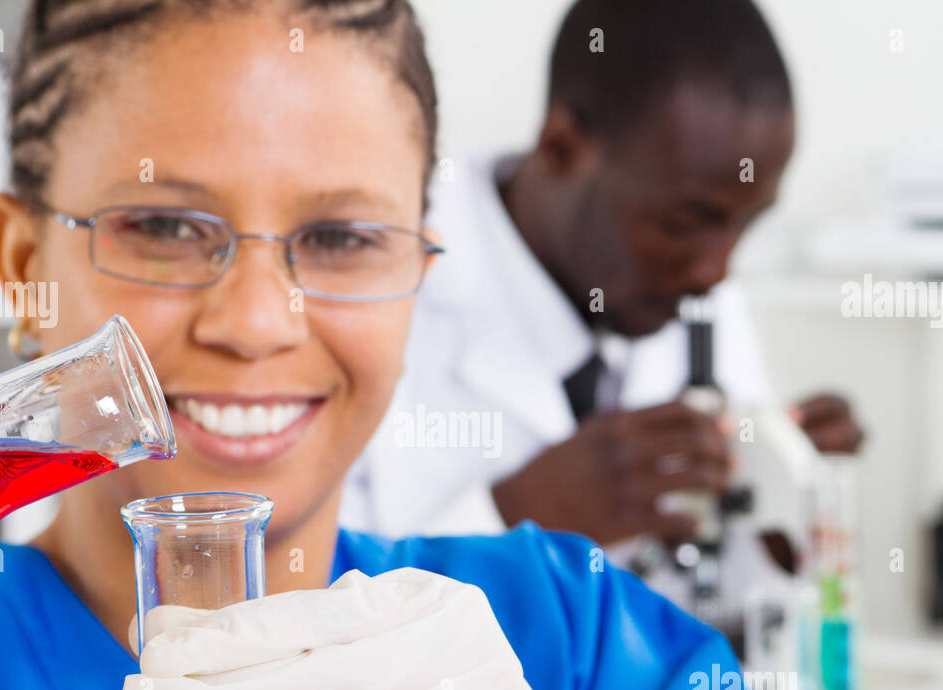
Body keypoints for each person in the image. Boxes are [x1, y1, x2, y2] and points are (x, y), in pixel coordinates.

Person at [0, 0, 870, 690]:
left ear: (420, 266)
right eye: (167, 227)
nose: (258, 321)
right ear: (22, 263)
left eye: (343, 237)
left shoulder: (576, 642)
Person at [340, 0, 865, 622]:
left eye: (742, 225)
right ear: (562, 148)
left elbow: (716, 609)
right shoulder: (371, 280)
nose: (716, 270)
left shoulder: (691, 289)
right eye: (683, 223)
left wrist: (781, 505)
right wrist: (515, 516)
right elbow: (309, 626)